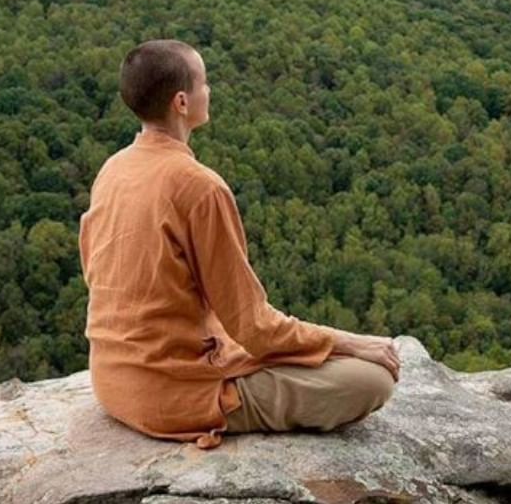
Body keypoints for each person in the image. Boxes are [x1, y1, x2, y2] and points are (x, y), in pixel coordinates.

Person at [79, 39, 398, 449]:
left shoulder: (113, 170)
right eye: (204, 83)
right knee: (371, 379)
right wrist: (349, 341)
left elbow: (96, 274)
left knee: (312, 358)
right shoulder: (200, 188)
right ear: (181, 102)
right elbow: (253, 327)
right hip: (173, 395)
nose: (209, 91)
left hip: (111, 380)